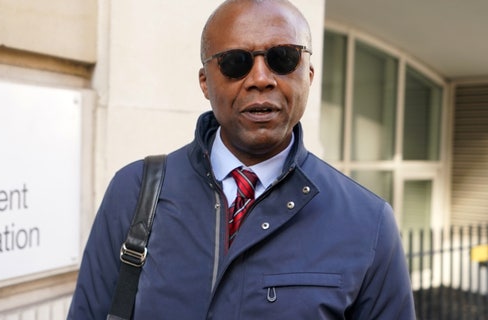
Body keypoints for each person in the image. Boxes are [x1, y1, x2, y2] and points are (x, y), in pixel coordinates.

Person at [68, 0, 416, 318]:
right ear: (205, 82)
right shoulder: (135, 191)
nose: (261, 79)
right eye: (236, 63)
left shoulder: (369, 223)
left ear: (308, 75)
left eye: (283, 58)